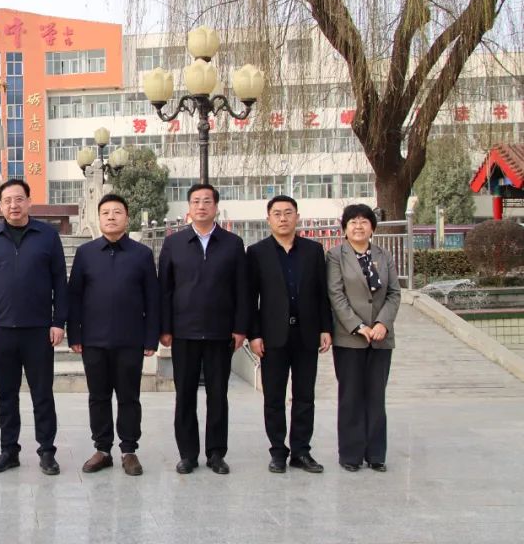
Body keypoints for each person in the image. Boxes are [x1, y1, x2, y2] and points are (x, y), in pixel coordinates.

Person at [0, 178, 68, 476]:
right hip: (1, 330)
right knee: (6, 395)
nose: (13, 205)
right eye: (7, 201)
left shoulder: (48, 236)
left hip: (39, 330)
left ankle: (47, 452)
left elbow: (60, 281)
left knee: (42, 394)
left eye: (19, 199)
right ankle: (9, 451)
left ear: (29, 201)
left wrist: (58, 322)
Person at [158, 183, 250, 475]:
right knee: (184, 395)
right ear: (189, 208)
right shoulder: (174, 243)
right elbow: (165, 289)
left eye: (207, 201)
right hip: (184, 331)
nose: (201, 206)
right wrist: (165, 328)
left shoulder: (232, 243)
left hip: (220, 332)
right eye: (196, 201)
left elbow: (242, 290)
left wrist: (240, 328)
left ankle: (216, 453)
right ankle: (187, 454)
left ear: (216, 207)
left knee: (218, 395)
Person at [67, 193, 160, 477]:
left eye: (117, 212)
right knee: (98, 396)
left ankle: (129, 450)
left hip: (130, 340)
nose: (111, 217)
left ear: (126, 218)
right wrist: (74, 335)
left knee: (129, 397)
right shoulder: (85, 253)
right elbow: (75, 296)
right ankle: (102, 449)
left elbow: (152, 299)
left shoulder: (141, 254)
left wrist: (150, 338)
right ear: (98, 218)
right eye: (105, 212)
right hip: (94, 340)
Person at [247, 195, 333, 474]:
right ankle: (277, 451)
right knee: (273, 398)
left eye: (288, 213)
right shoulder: (257, 252)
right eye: (277, 213)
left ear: (297, 217)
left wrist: (325, 328)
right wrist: (254, 334)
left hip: (306, 333)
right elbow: (250, 298)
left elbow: (322, 293)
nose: (283, 218)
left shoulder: (313, 250)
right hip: (272, 336)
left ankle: (301, 451)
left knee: (305, 396)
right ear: (268, 219)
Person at [327, 203, 401, 473]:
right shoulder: (336, 256)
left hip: (381, 338)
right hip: (350, 338)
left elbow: (394, 293)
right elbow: (336, 295)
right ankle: (351, 454)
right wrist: (358, 326)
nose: (358, 226)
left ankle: (376, 454)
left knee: (376, 396)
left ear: (372, 227)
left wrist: (382, 323)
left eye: (364, 221)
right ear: (344, 228)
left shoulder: (384, 255)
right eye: (353, 222)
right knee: (351, 396)